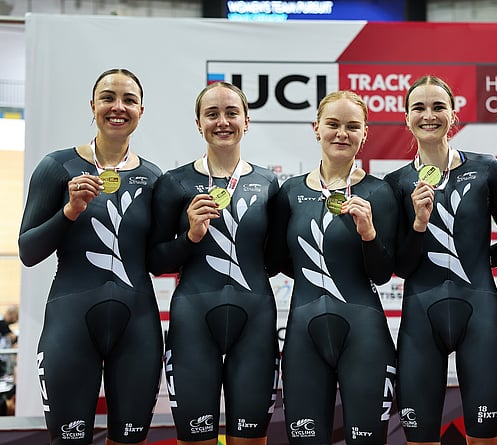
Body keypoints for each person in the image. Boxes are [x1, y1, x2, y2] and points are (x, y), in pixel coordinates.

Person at [18, 69, 163, 445]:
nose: (118, 107)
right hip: (70, 321)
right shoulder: (58, 167)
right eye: (108, 98)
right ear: (93, 105)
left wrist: (193, 233)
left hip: (137, 326)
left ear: (141, 110)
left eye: (129, 100)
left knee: (130, 440)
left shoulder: (153, 178)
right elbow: (29, 252)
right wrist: (69, 211)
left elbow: (158, 260)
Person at [384, 75, 497, 445]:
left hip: (480, 315)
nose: (429, 115)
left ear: (453, 115)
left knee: (484, 437)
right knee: (420, 438)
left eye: (438, 107)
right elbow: (401, 266)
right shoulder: (395, 183)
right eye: (419, 108)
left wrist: (474, 260)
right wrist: (419, 224)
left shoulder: (486, 169)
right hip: (421, 319)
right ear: (406, 117)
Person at [148, 81, 279, 445]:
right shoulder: (175, 183)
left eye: (231, 113)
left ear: (246, 121)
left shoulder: (268, 183)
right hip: (193, 322)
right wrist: (190, 236)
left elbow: (275, 259)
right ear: (198, 123)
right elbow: (156, 261)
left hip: (255, 321)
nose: (222, 122)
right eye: (212, 114)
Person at [267, 90, 397, 445]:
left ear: (365, 133)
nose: (342, 133)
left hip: (364, 335)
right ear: (317, 128)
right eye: (333, 124)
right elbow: (276, 261)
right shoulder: (289, 191)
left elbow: (382, 272)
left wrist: (368, 234)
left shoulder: (379, 193)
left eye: (352, 126)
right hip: (303, 336)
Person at [0, 305, 19, 377]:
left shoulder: (4, 325)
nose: (16, 321)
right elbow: (13, 338)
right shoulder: (2, 323)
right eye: (16, 317)